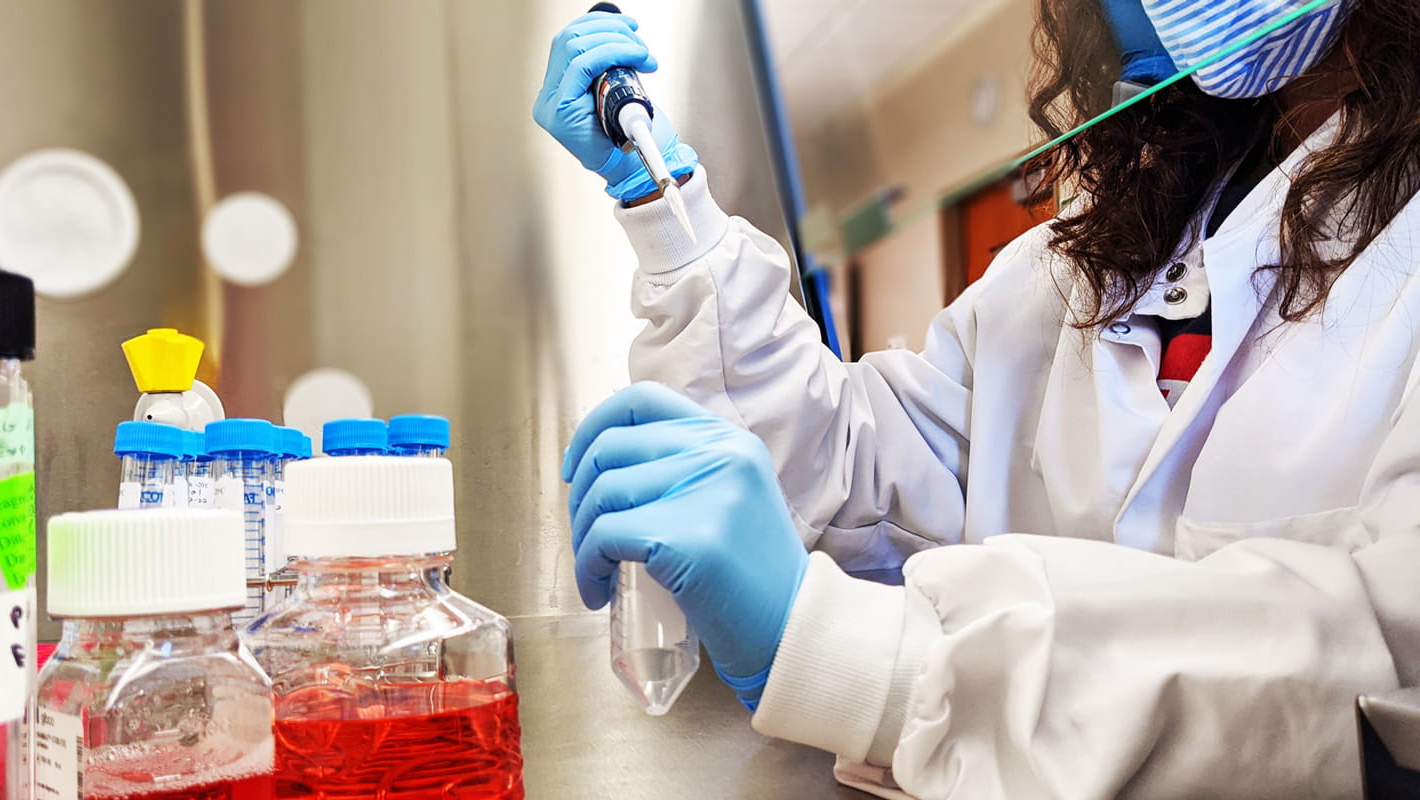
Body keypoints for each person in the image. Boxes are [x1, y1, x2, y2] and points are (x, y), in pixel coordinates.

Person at [534, 0, 1420, 798]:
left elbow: (1373, 671)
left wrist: (870, 667)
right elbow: (862, 479)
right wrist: (663, 202)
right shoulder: (1076, 268)